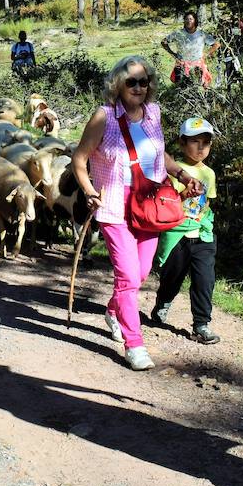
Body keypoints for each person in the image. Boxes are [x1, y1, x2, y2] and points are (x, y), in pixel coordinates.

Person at [71, 55, 201, 371]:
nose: (139, 87)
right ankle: (135, 344)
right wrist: (89, 191)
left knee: (140, 274)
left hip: (150, 204)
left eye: (144, 82)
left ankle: (114, 311)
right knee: (128, 275)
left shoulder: (152, 114)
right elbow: (79, 159)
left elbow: (158, 153)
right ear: (117, 84)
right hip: (114, 204)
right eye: (132, 82)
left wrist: (183, 175)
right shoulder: (103, 117)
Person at [151, 116, 222, 345]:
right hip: (176, 233)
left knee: (205, 279)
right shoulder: (174, 170)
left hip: (202, 234)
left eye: (206, 142)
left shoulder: (209, 173)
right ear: (182, 143)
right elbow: (166, 202)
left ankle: (201, 325)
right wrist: (183, 196)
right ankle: (163, 302)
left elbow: (208, 201)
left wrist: (203, 220)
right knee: (172, 277)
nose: (201, 147)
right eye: (195, 141)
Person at [161, 11, 219, 87]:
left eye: (191, 19)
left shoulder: (201, 34)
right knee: (181, 88)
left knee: (200, 86)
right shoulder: (178, 33)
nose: (188, 21)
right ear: (184, 21)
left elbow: (216, 44)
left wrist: (206, 54)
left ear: (195, 21)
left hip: (198, 64)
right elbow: (164, 42)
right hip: (182, 64)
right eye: (186, 19)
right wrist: (173, 54)